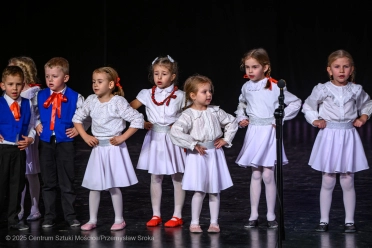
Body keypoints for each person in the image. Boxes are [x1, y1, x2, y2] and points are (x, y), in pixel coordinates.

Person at [302, 49, 372, 233]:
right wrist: (315, 119)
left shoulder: (356, 90)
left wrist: (363, 118)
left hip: (348, 135)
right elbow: (308, 106)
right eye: (337, 67)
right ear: (329, 69)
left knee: (348, 180)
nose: (341, 71)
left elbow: (367, 104)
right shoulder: (322, 89)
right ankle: (323, 220)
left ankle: (349, 221)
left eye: (345, 67)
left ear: (352, 69)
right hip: (329, 135)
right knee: (328, 179)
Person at [234, 48, 301, 229]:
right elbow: (242, 103)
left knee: (268, 174)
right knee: (255, 173)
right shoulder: (247, 87)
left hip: (269, 131)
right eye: (247, 67)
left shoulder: (274, 86)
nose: (250, 71)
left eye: (254, 67)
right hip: (254, 131)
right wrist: (241, 117)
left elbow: (295, 102)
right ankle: (254, 214)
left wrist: (278, 118)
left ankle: (271, 215)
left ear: (265, 67)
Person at [73, 66, 144, 231]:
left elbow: (137, 120)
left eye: (100, 81)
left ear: (111, 84)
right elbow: (77, 119)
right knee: (94, 185)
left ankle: (119, 219)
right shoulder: (91, 100)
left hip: (113, 148)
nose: (95, 85)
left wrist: (122, 137)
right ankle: (92, 219)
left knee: (113, 184)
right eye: (93, 82)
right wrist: (86, 136)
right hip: (98, 148)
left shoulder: (117, 102)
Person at [170, 74, 238, 233]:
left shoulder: (215, 111)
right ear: (192, 95)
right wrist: (193, 144)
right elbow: (176, 132)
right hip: (197, 156)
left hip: (214, 154)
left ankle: (214, 222)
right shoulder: (188, 115)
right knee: (199, 190)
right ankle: (195, 222)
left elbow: (231, 122)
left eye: (210, 91)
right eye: (204, 91)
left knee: (214, 190)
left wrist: (226, 139)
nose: (209, 95)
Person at [130, 55, 186, 228]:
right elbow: (128, 108)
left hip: (174, 139)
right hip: (154, 138)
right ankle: (156, 214)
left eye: (164, 74)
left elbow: (191, 114)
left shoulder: (181, 95)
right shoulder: (146, 94)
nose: (159, 78)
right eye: (156, 74)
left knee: (177, 176)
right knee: (156, 176)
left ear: (173, 76)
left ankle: (177, 215)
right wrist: (141, 121)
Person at [34, 57, 82, 228]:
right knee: (48, 180)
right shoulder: (40, 95)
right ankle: (49, 216)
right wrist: (37, 124)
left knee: (67, 180)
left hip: (65, 141)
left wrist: (79, 129)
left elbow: (86, 115)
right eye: (47, 76)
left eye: (54, 76)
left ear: (65, 78)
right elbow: (33, 113)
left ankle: (70, 216)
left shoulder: (75, 96)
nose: (50, 80)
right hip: (46, 141)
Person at [0, 66, 36, 230]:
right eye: (10, 84)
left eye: (18, 84)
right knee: (1, 183)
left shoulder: (27, 103)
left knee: (17, 184)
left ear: (23, 85)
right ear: (3, 85)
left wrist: (30, 138)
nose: (14, 88)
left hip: (19, 149)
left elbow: (32, 125)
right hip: (2, 149)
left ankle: (12, 218)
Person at [8, 56, 42, 221]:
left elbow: (36, 118)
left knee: (31, 173)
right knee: (17, 174)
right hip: (12, 137)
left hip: (28, 137)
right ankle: (19, 208)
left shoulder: (33, 93)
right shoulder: (11, 92)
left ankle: (34, 208)